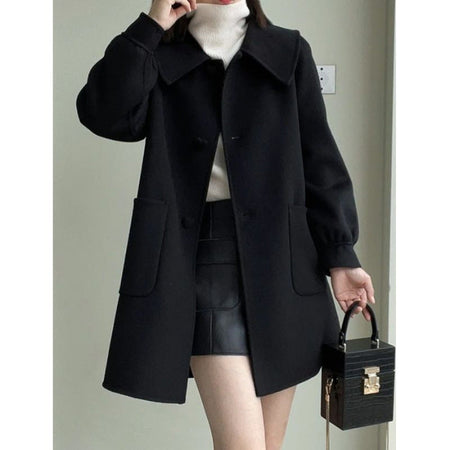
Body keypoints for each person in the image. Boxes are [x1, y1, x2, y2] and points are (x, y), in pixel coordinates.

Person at [76, 1, 376, 448]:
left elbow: (320, 162)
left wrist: (341, 257)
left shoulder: (287, 51)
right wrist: (152, 24)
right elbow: (103, 113)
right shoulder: (159, 53)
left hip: (282, 267)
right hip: (199, 263)